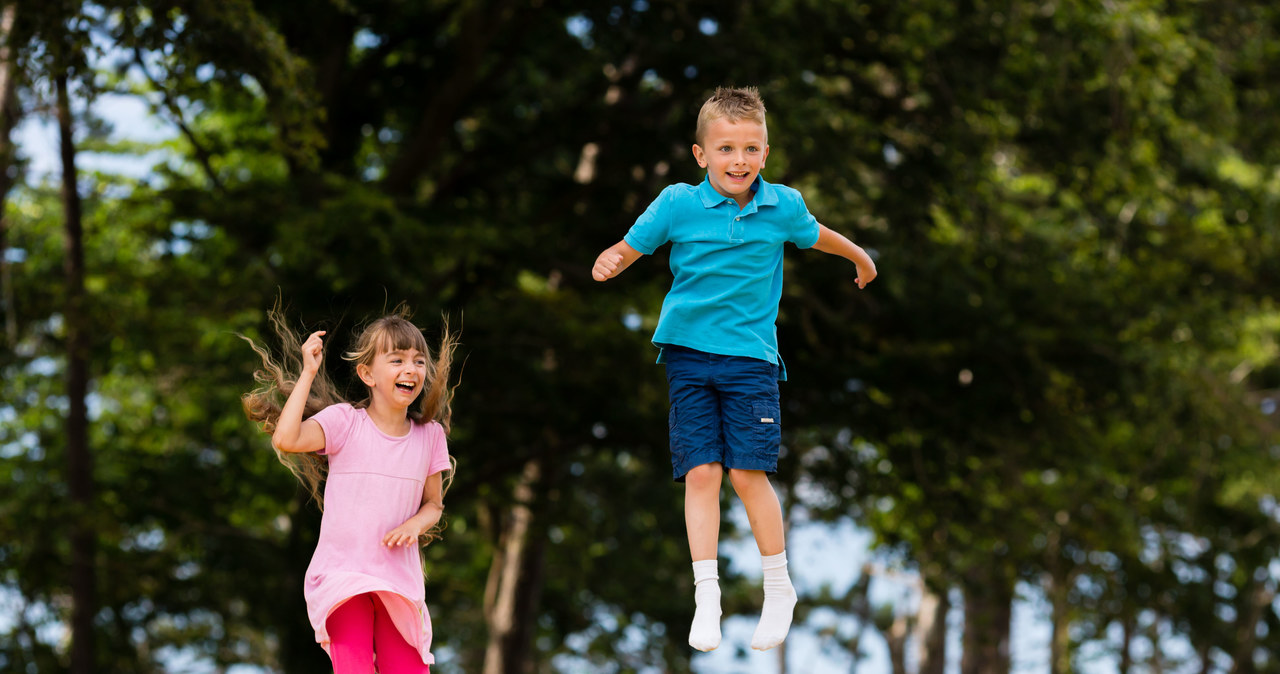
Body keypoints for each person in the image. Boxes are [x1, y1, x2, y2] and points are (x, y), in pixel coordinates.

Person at [591, 86, 877, 652]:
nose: (738, 160)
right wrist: (613, 259)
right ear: (702, 155)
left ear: (766, 153)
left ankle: (778, 587)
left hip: (751, 360)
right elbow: (633, 245)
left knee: (747, 473)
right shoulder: (677, 203)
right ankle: (707, 593)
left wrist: (861, 257)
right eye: (725, 149)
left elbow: (818, 237)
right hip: (688, 356)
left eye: (750, 148)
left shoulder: (783, 207)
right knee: (701, 472)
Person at [242, 305, 456, 673]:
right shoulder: (345, 423)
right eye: (397, 359)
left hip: (398, 584)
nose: (411, 369)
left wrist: (414, 525)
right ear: (367, 373)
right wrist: (308, 372)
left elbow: (434, 504)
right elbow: (287, 438)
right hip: (343, 577)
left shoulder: (430, 436)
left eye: (419, 361)